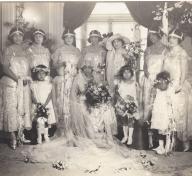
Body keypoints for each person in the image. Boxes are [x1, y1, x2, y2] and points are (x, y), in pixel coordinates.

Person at [0, 27, 32, 149]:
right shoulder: (8, 49)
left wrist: (26, 79)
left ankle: (20, 133)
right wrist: (17, 79)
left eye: (20, 36)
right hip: (11, 82)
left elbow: (28, 68)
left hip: (23, 82)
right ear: (11, 38)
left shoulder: (26, 51)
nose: (18, 38)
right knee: (12, 108)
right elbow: (5, 68)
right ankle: (12, 135)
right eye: (15, 36)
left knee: (22, 108)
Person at [163, 28, 192, 152]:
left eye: (174, 38)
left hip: (178, 85)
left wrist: (179, 85)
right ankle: (172, 140)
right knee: (169, 113)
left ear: (179, 40)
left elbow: (184, 71)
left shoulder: (182, 53)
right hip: (168, 85)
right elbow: (164, 70)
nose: (172, 40)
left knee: (180, 114)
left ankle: (185, 140)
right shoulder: (167, 52)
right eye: (170, 38)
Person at [51, 29, 81, 139]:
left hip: (73, 79)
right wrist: (61, 64)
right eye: (67, 37)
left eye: (71, 37)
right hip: (62, 79)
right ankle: (63, 127)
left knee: (72, 102)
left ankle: (72, 127)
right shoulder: (59, 50)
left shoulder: (77, 50)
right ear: (63, 38)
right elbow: (54, 66)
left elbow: (79, 66)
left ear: (73, 39)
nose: (69, 39)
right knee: (62, 102)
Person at [150, 71, 176, 155]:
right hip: (158, 114)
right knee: (159, 131)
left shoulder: (170, 90)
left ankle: (167, 148)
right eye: (160, 81)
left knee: (167, 132)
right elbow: (153, 98)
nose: (162, 83)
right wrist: (153, 87)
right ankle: (161, 146)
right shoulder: (157, 90)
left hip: (166, 114)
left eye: (164, 81)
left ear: (167, 82)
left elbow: (172, 101)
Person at [114, 65, 140, 145]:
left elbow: (138, 94)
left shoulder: (135, 83)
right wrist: (120, 100)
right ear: (122, 73)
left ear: (131, 73)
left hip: (131, 103)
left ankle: (130, 137)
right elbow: (116, 93)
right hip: (122, 103)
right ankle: (125, 136)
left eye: (128, 72)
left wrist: (133, 100)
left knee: (130, 121)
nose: (126, 74)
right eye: (124, 72)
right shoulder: (119, 82)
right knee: (123, 120)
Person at [30, 65, 56, 144]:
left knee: (46, 121)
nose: (41, 75)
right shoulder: (34, 84)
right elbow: (32, 95)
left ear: (46, 74)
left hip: (46, 105)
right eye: (39, 73)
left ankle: (45, 135)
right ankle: (39, 137)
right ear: (36, 74)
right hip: (38, 104)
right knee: (38, 122)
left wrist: (45, 104)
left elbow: (50, 96)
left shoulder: (48, 84)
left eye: (43, 73)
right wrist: (37, 103)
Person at [70, 65, 95, 139]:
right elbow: (73, 92)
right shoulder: (78, 78)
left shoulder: (93, 78)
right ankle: (84, 134)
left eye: (89, 68)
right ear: (83, 69)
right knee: (85, 115)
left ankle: (91, 133)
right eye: (86, 68)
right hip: (81, 100)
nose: (87, 70)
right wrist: (77, 101)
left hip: (91, 101)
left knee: (91, 116)